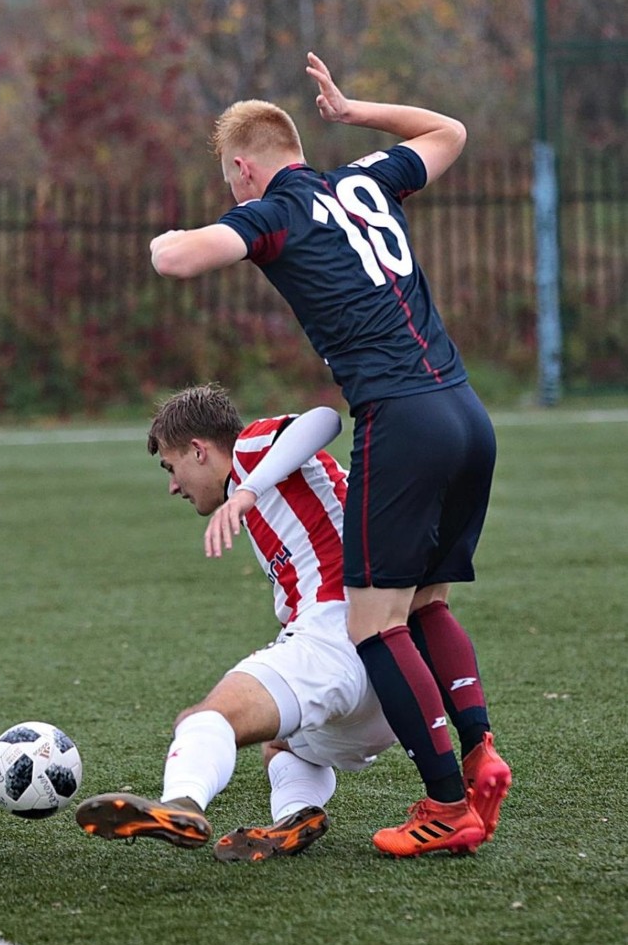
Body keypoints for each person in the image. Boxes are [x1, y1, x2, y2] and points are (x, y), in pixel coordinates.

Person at [146, 53, 511, 857]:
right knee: (428, 604)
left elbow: (177, 259)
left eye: (229, 179)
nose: (233, 194)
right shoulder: (369, 178)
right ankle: (481, 747)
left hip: (401, 418)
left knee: (375, 621)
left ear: (245, 166)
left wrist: (164, 238)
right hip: (465, 409)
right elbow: (448, 129)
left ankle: (448, 803)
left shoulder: (272, 211)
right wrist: (351, 110)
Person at [75, 383, 398, 862]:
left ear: (200, 451)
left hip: (337, 638)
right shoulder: (285, 489)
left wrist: (245, 491)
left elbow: (324, 418)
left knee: (205, 720)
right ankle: (297, 812)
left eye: (172, 467)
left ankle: (181, 802)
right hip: (388, 685)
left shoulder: (251, 449)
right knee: (285, 746)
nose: (172, 486)